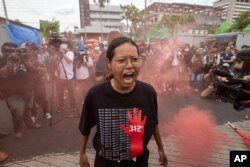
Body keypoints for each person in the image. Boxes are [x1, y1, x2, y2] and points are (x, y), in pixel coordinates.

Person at [79, 37, 168, 167]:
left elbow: (153, 122)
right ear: (109, 63)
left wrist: (161, 148)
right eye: (121, 60)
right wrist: (82, 153)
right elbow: (85, 126)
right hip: (106, 162)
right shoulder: (96, 94)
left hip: (138, 162)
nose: (130, 65)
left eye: (135, 59)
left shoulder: (148, 92)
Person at [55, 43, 76, 112]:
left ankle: (72, 105)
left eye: (62, 49)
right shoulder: (59, 55)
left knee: (71, 92)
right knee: (59, 93)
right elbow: (58, 64)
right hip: (60, 77)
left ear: (65, 49)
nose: (60, 50)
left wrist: (63, 54)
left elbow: (69, 60)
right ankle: (61, 106)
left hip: (69, 77)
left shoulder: (70, 53)